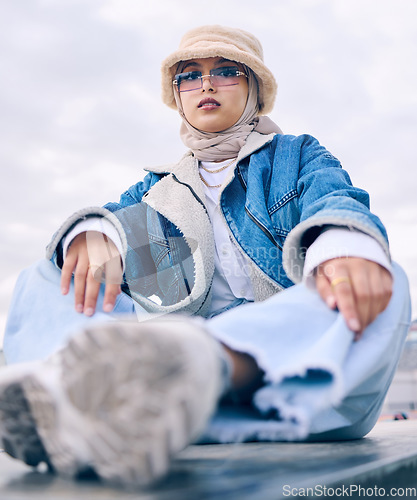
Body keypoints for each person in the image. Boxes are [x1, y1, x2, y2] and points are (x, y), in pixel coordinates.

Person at [0, 25, 411, 487]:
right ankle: (61, 393)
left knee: (376, 271)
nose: (207, 85)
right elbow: (110, 219)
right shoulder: (156, 190)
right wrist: (92, 232)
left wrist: (344, 246)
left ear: (255, 88)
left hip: (283, 373)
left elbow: (337, 200)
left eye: (226, 72)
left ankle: (192, 370)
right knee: (48, 271)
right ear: (177, 95)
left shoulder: (295, 156)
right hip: (170, 349)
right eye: (189, 76)